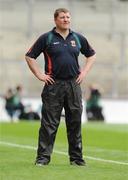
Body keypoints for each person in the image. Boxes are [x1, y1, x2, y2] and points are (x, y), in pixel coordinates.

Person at [25, 8, 96, 166]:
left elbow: (91, 54)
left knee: (75, 122)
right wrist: (39, 75)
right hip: (53, 85)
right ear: (55, 20)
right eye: (62, 17)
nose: (66, 19)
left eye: (68, 17)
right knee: (49, 123)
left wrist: (84, 72)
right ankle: (43, 158)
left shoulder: (77, 38)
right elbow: (29, 56)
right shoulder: (47, 38)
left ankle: (76, 159)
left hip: (74, 85)